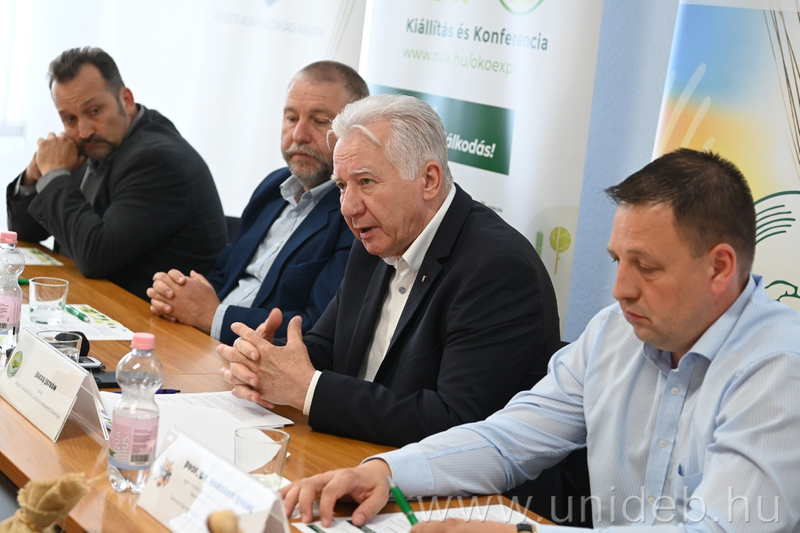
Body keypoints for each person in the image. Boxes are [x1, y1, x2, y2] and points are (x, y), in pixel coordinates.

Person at [281, 149, 800, 532]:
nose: (620, 289)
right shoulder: (614, 332)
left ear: (720, 268)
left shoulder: (780, 367)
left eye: (646, 267)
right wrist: (385, 471)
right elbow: (508, 439)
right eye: (618, 261)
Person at [217, 94, 561, 448]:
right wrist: (266, 361)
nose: (348, 208)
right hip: (359, 450)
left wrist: (308, 390)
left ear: (429, 180)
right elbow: (328, 348)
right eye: (342, 186)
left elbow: (457, 422)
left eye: (366, 182)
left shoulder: (497, 268)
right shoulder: (376, 240)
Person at [147, 61, 366, 343]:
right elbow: (225, 274)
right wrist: (178, 296)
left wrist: (211, 315)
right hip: (201, 341)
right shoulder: (272, 187)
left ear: (357, 131)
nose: (298, 135)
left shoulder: (355, 214)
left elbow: (318, 327)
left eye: (320, 121)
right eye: (291, 118)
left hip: (254, 356)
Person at [6, 47, 226, 300]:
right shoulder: (97, 142)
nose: (84, 131)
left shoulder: (157, 160)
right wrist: (35, 174)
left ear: (127, 100)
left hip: (151, 315)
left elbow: (95, 256)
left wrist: (54, 175)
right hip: (100, 299)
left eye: (94, 111)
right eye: (70, 119)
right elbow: (23, 232)